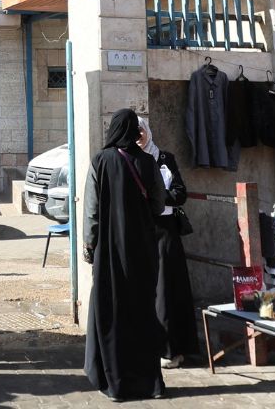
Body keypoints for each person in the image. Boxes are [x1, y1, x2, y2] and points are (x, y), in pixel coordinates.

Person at [84, 108, 166, 401]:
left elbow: (91, 210)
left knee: (113, 313)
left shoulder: (101, 161)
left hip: (109, 253)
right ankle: (151, 385)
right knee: (143, 313)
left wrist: (89, 245)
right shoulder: (147, 162)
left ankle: (116, 384)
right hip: (143, 250)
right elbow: (158, 204)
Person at [139, 121, 201, 368]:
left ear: (149, 131)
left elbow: (179, 194)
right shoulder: (126, 160)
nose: (139, 136)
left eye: (142, 130)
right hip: (140, 231)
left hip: (165, 231)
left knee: (167, 289)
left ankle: (171, 348)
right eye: (134, 131)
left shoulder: (164, 158)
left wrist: (153, 196)